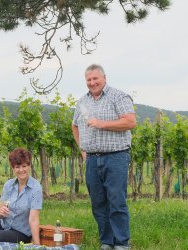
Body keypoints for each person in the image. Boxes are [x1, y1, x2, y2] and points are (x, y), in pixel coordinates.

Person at [71, 64, 136, 250]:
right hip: (92, 158)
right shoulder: (82, 101)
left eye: (95, 79)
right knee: (98, 203)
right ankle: (106, 242)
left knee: (116, 201)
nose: (92, 83)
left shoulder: (118, 96)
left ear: (104, 78)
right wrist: (83, 149)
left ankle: (121, 243)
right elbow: (74, 126)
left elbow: (130, 122)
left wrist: (101, 123)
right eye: (88, 80)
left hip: (115, 157)